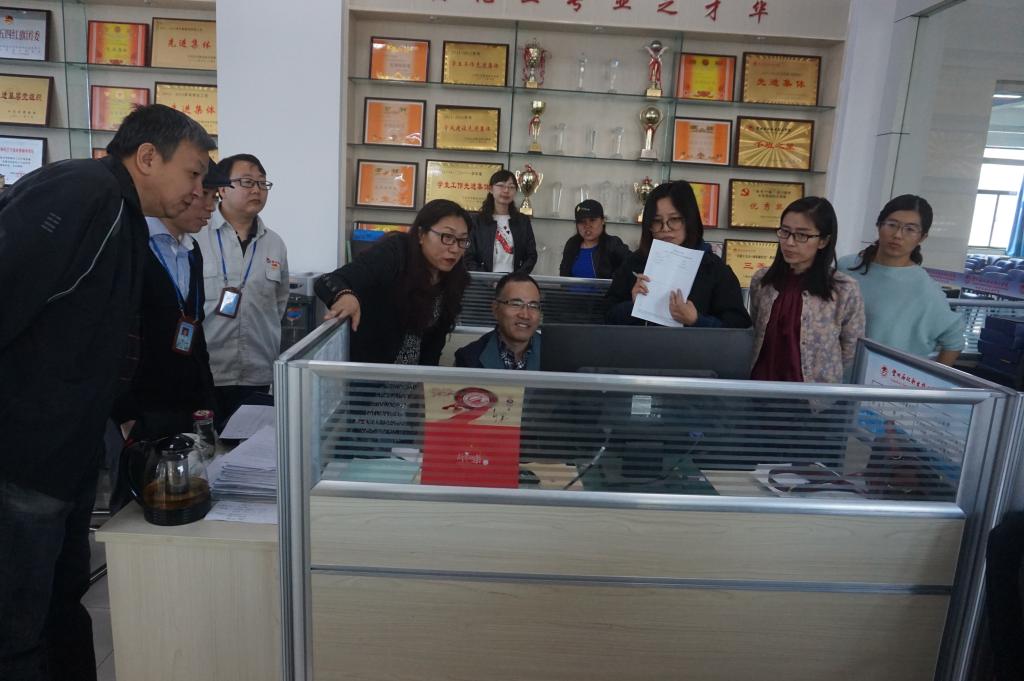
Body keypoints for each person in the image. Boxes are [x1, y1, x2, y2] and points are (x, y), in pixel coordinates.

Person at [0, 104, 215, 681]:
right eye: (193, 172)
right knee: (17, 627)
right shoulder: (81, 192)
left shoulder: (122, 214)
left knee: (59, 607)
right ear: (147, 157)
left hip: (67, 452)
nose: (199, 189)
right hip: (25, 452)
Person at [111, 165, 233, 441]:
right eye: (204, 195)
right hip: (140, 408)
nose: (211, 207)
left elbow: (196, 332)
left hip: (188, 405)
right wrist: (125, 413)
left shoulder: (191, 250)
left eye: (214, 197)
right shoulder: (132, 244)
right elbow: (111, 334)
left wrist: (208, 403)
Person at [315, 198, 474, 365]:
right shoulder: (395, 254)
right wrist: (344, 295)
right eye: (447, 237)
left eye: (462, 240)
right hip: (370, 371)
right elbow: (328, 281)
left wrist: (426, 377)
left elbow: (435, 342)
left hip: (412, 375)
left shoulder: (455, 278)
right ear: (421, 234)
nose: (455, 248)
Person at [197, 154, 289, 423]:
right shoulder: (196, 235)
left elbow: (278, 305)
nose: (257, 190)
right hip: (207, 371)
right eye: (247, 182)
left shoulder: (275, 244)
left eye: (262, 183)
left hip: (257, 373)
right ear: (222, 189)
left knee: (249, 443)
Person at [749, 197, 865, 383]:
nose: (789, 242)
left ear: (823, 241)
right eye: (785, 232)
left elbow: (851, 348)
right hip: (763, 384)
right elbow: (757, 329)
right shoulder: (763, 281)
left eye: (802, 235)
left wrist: (824, 377)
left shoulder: (844, 289)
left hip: (814, 393)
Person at [838, 195, 963, 365]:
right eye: (892, 225)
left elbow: (954, 341)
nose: (898, 235)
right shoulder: (845, 267)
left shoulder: (925, 290)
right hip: (834, 376)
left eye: (910, 229)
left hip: (884, 378)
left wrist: (929, 381)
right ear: (879, 225)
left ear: (922, 237)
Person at [606, 180, 750, 328]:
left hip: (694, 344)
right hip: (639, 343)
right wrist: (633, 306)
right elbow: (606, 316)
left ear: (690, 220)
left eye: (674, 219)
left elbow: (738, 327)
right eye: (656, 221)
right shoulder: (634, 262)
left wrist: (696, 320)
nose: (665, 228)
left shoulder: (714, 269)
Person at [455, 272, 543, 369]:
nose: (525, 315)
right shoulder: (468, 358)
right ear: (495, 309)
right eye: (515, 304)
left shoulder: (554, 354)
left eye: (533, 306)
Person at [464, 169, 537, 274]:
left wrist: (516, 278)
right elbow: (468, 256)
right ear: (490, 189)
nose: (506, 190)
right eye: (501, 185)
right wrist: (487, 279)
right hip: (483, 280)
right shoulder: (477, 221)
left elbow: (531, 256)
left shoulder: (522, 221)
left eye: (511, 187)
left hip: (513, 280)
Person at [559, 199, 630, 279]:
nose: (587, 226)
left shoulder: (613, 244)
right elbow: (563, 277)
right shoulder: (572, 244)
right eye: (581, 221)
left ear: (603, 221)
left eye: (592, 220)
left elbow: (633, 265)